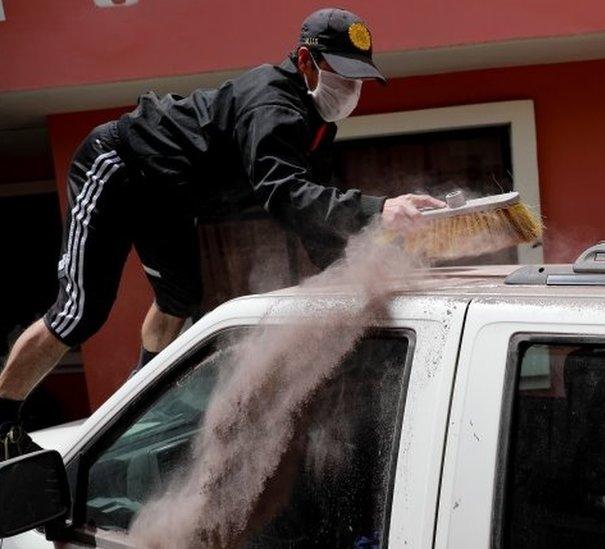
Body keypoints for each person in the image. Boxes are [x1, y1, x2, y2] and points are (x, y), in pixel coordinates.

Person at [0, 7, 444, 461]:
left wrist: (363, 270)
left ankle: (138, 404)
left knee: (179, 299)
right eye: (344, 74)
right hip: (119, 165)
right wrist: (378, 211)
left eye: (360, 77)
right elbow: (287, 195)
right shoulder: (272, 104)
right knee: (81, 313)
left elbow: (311, 212)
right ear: (307, 62)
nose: (352, 89)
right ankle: (2, 425)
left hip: (169, 194)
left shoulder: (314, 124)